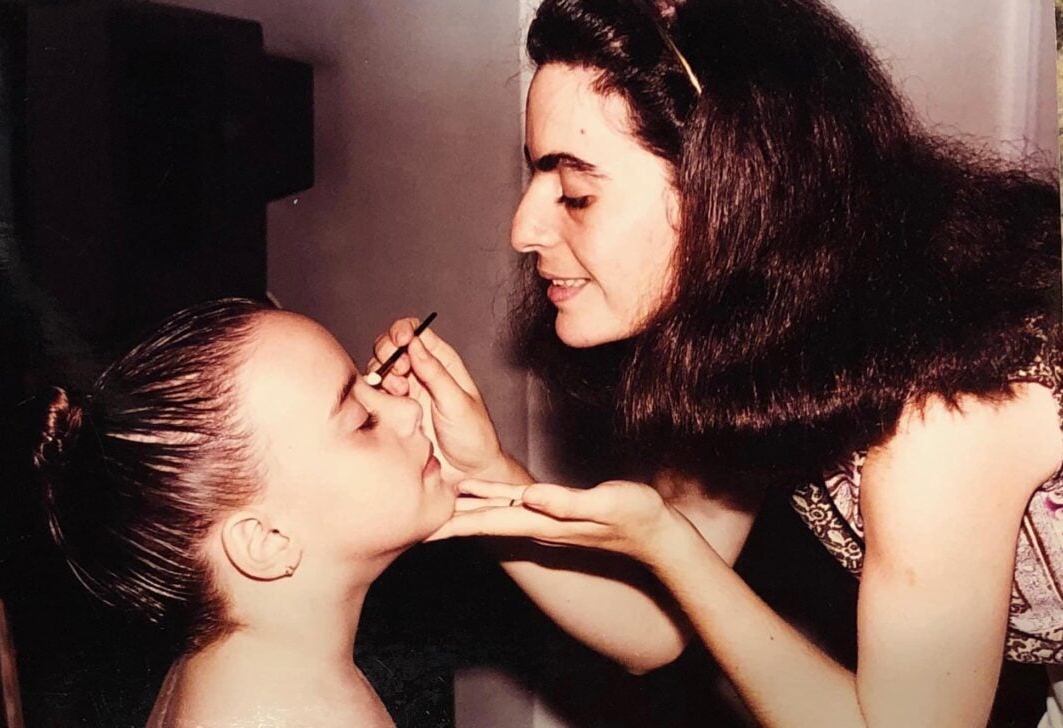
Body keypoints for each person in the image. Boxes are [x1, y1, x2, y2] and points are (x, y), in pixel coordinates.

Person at [372, 0, 1063, 725]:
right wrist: (487, 483)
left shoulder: (939, 409)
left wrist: (672, 547)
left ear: (733, 193)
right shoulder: (764, 334)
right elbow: (651, 628)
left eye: (576, 192)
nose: (523, 230)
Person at [31, 298, 453, 728]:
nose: (408, 410)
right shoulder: (306, 715)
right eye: (363, 419)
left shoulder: (241, 666)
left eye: (373, 383)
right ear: (266, 540)